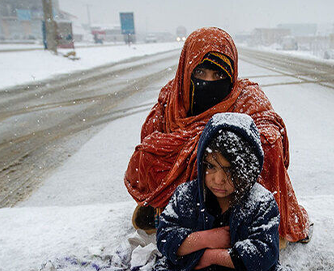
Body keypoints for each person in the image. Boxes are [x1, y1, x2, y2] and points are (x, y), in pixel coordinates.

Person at [125, 27, 310, 245]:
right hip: (186, 199)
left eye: (219, 75)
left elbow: (269, 127)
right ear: (187, 71)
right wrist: (193, 147)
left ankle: (249, 220)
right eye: (200, 73)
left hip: (236, 194)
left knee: (262, 148)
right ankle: (171, 206)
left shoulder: (245, 96)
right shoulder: (173, 98)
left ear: (231, 75)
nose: (209, 81)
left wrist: (222, 144)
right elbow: (149, 141)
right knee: (149, 155)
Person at [142, 112, 295, 271]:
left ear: (248, 169)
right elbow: (165, 238)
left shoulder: (261, 203)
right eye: (211, 167)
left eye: (230, 170)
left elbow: (264, 253)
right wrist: (207, 239)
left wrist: (213, 256)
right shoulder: (186, 196)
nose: (218, 179)